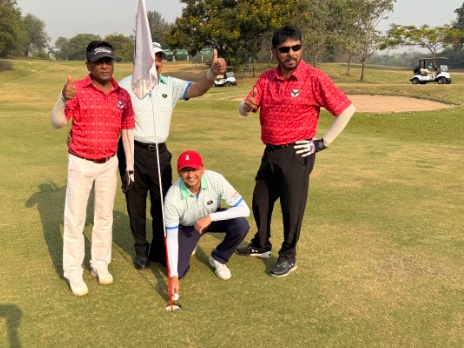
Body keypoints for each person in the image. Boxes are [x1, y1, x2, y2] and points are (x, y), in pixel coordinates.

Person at [237, 25, 356, 277]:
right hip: (270, 151)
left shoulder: (314, 78)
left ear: (302, 48)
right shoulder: (266, 79)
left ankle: (288, 256)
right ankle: (261, 245)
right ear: (274, 52)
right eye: (284, 49)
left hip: (297, 153)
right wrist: (245, 107)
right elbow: (246, 107)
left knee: (292, 208)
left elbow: (347, 109)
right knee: (260, 201)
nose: (291, 53)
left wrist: (322, 143)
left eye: (296, 47)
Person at [117, 42, 227, 270]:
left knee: (162, 204)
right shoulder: (124, 86)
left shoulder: (170, 84)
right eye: (151, 58)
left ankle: (159, 250)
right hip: (132, 151)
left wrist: (212, 73)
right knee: (135, 204)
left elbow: (198, 88)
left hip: (160, 153)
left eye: (159, 58)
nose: (156, 63)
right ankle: (141, 250)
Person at [51, 41, 135, 296]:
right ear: (88, 65)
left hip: (109, 163)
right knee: (75, 219)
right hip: (81, 162)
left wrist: (130, 167)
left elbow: (127, 130)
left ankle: (100, 264)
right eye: (99, 62)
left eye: (108, 61)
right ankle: (73, 272)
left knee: (104, 217)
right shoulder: (76, 90)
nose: (104, 66)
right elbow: (57, 122)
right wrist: (61, 97)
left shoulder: (123, 95)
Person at [164, 150, 250, 300]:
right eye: (185, 170)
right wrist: (173, 276)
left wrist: (211, 217)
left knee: (241, 225)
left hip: (212, 218)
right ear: (179, 173)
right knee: (178, 271)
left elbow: (244, 210)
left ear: (203, 169)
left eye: (194, 169)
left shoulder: (215, 179)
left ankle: (218, 258)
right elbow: (171, 238)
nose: (190, 175)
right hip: (188, 227)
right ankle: (191, 244)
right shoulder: (172, 197)